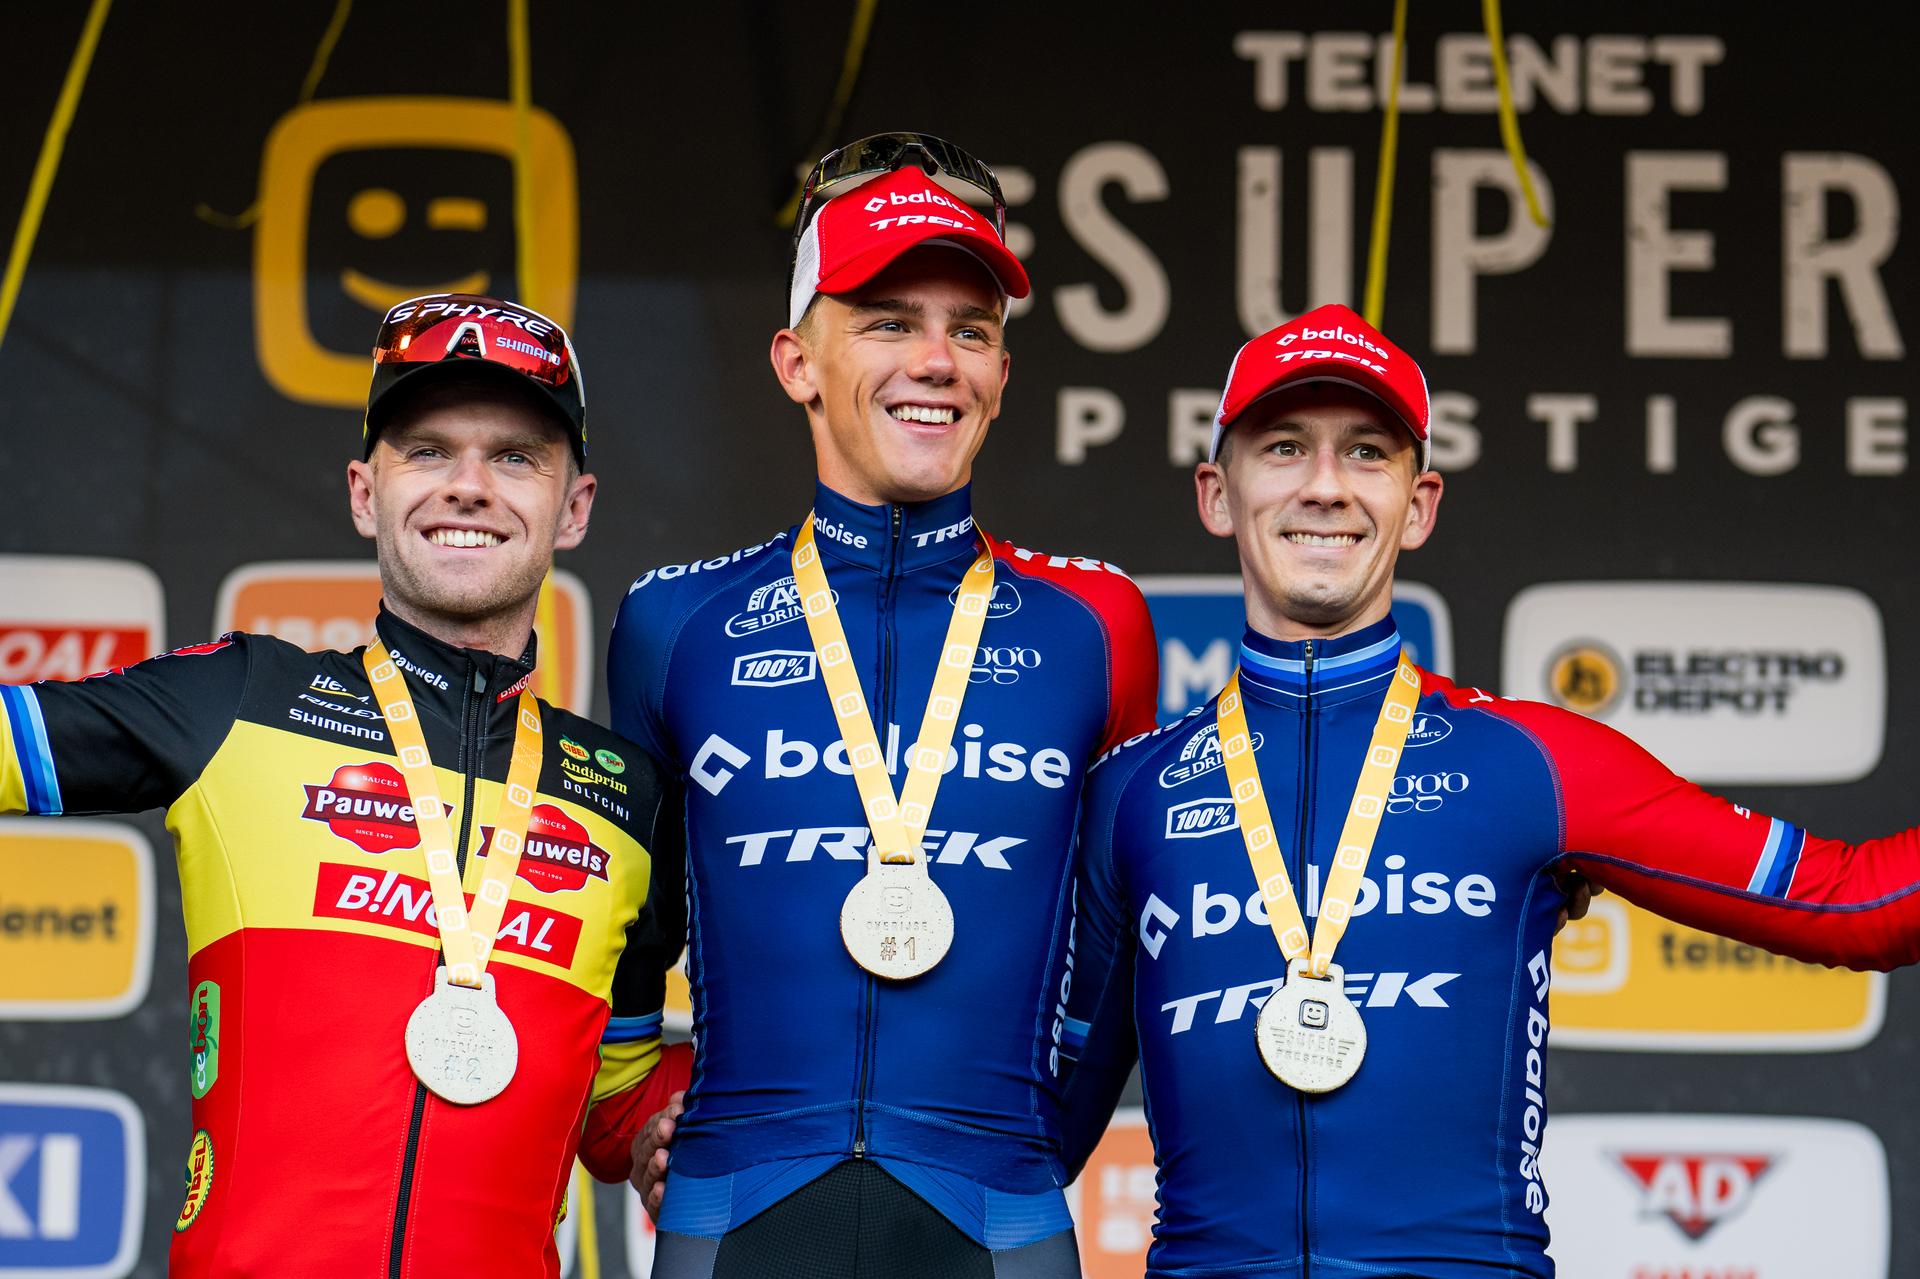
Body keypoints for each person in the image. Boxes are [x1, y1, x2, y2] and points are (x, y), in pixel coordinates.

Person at [1057, 303, 1920, 1279]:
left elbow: (1856, 904)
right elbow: (1035, 1141)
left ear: (1420, 504)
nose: (1326, 484)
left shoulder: (1532, 764)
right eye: (1286, 446)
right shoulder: (1131, 794)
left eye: (1368, 452)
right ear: (1218, 493)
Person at [0, 292, 689, 1276]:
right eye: (429, 450)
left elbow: (617, 1109)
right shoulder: (240, 698)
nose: (468, 486)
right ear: (366, 493)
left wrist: (675, 1131)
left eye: (514, 457)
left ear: (572, 507)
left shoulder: (628, 796)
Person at [608, 134, 1159, 1278]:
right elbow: (629, 938)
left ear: (1003, 373)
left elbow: (1116, 954)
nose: (937, 360)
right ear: (797, 362)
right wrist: (636, 1122)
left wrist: (1033, 1146)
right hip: (736, 1204)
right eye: (889, 322)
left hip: (997, 1216)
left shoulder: (1096, 624)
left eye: (972, 330)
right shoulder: (675, 623)